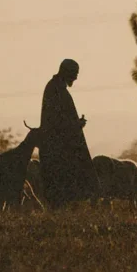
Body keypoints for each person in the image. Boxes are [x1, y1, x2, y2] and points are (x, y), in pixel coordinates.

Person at [39, 59, 101, 207]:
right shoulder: (56, 89)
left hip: (59, 148)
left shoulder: (56, 88)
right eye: (75, 73)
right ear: (67, 72)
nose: (76, 78)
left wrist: (75, 124)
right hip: (58, 150)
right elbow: (56, 122)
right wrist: (76, 124)